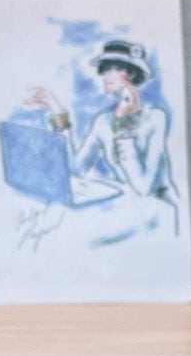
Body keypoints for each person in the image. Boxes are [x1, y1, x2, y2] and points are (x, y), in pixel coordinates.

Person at [27, 39, 180, 231]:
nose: (108, 75)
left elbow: (143, 188)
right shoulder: (103, 121)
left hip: (159, 210)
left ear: (132, 73)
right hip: (125, 206)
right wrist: (58, 113)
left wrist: (122, 121)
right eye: (106, 69)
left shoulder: (156, 118)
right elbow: (76, 168)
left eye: (116, 68)